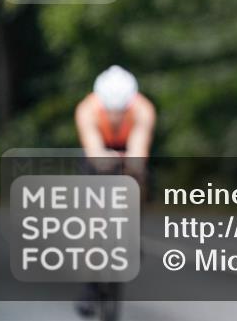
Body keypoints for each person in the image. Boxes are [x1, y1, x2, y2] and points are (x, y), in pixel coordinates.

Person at [74, 65, 155, 317]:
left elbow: (139, 147)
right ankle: (89, 289)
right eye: (111, 111)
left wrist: (134, 163)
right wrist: (101, 158)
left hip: (127, 150)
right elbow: (92, 147)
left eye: (122, 112)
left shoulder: (143, 110)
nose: (116, 116)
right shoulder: (86, 110)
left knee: (139, 179)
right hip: (99, 151)